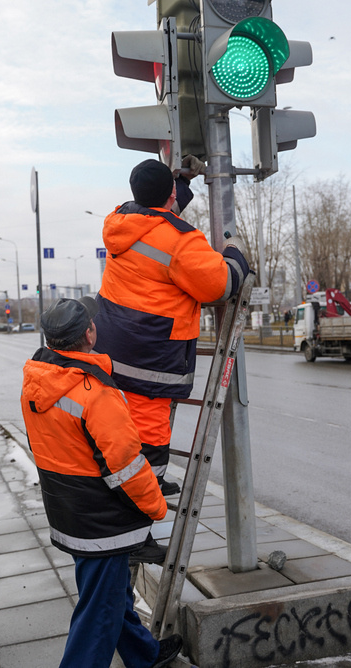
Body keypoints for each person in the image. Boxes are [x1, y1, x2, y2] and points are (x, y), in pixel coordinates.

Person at [21, 297, 184, 668]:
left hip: (70, 513)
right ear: (90, 334)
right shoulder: (96, 394)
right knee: (98, 614)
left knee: (109, 595)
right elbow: (126, 466)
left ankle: (144, 654)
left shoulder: (37, 382)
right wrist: (155, 507)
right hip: (103, 523)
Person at [95, 158, 251, 496]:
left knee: (120, 427)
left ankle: (131, 489)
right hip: (151, 352)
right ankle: (145, 500)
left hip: (111, 344)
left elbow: (157, 215)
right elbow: (220, 285)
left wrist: (179, 182)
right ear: (168, 195)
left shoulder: (120, 220)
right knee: (150, 433)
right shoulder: (181, 240)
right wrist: (236, 252)